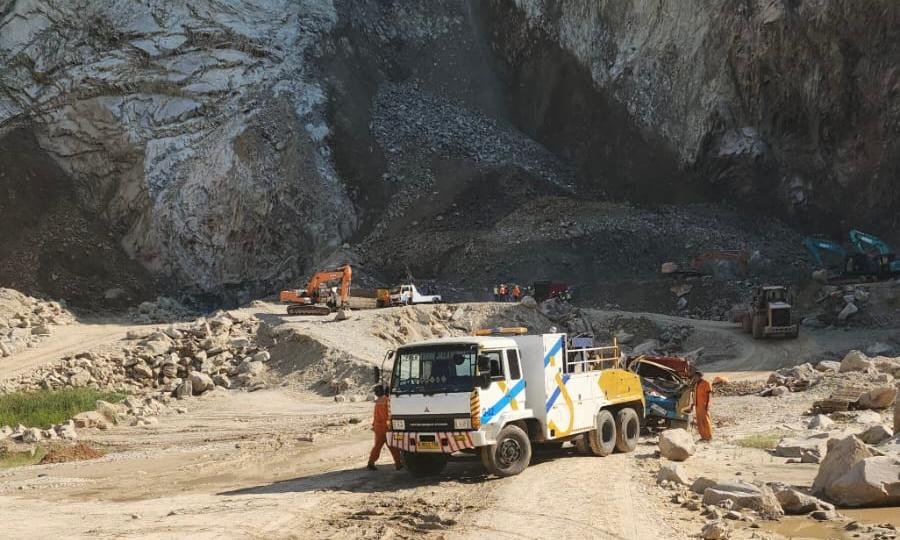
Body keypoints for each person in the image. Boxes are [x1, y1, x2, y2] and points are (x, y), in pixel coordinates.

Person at [367, 385, 402, 470]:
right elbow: (389, 415)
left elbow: (376, 416)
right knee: (393, 446)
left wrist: (374, 425)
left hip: (378, 428)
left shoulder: (378, 401)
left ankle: (371, 462)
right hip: (386, 427)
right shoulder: (387, 401)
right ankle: (398, 464)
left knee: (377, 446)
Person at [694, 371, 713, 441]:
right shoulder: (696, 384)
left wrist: (708, 404)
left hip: (704, 405)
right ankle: (703, 436)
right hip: (697, 405)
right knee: (699, 421)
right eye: (694, 376)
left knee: (706, 421)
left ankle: (709, 436)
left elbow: (709, 395)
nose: (695, 378)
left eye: (696, 376)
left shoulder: (706, 383)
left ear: (700, 376)